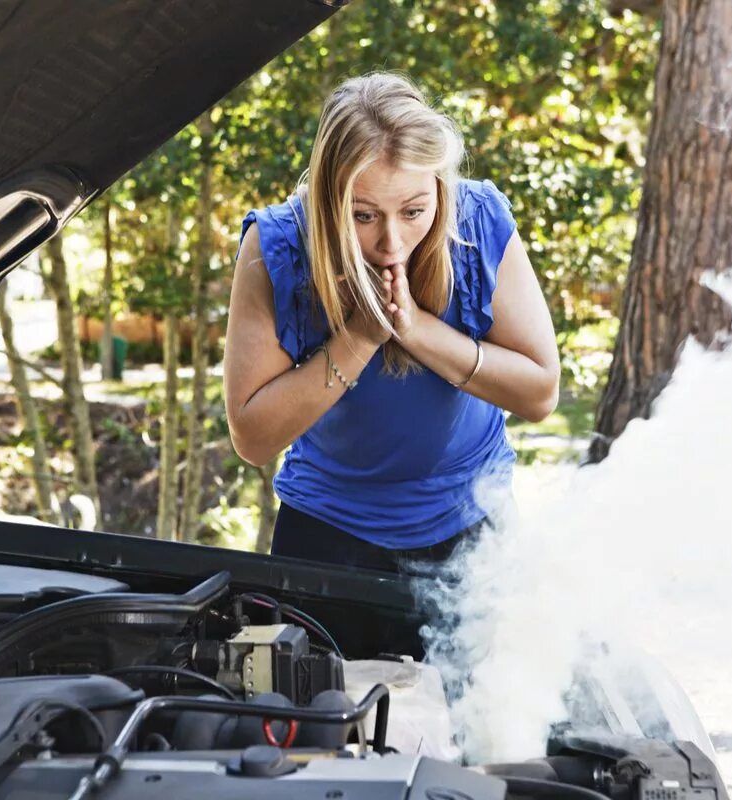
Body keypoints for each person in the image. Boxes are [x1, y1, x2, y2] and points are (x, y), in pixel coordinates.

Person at [223, 72, 559, 572]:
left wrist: (419, 330)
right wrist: (360, 336)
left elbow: (541, 394)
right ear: (326, 200)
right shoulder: (277, 245)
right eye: (363, 216)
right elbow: (253, 439)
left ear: (439, 188)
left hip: (475, 528)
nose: (392, 242)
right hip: (327, 533)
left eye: (414, 211)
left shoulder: (481, 220)